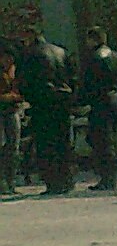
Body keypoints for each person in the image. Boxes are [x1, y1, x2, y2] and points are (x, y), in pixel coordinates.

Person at [16, 24, 76, 196]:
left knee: (46, 143)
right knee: (63, 142)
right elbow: (72, 77)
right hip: (63, 102)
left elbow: (24, 80)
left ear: (30, 36)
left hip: (43, 103)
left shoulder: (30, 54)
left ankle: (53, 181)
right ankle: (67, 179)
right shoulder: (61, 51)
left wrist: (28, 99)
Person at [77, 25, 117, 191]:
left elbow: (89, 83)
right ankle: (109, 177)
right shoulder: (115, 55)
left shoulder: (94, 58)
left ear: (93, 39)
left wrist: (80, 101)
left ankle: (107, 178)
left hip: (100, 102)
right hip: (114, 100)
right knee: (107, 140)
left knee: (100, 140)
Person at [0, 48, 23, 194]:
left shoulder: (15, 72)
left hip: (12, 111)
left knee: (14, 147)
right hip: (3, 111)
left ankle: (11, 181)